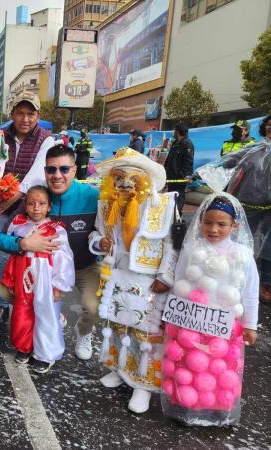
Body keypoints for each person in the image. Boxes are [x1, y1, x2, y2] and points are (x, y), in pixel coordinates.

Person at [89, 147, 177, 414]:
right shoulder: (106, 205)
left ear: (143, 181)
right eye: (118, 177)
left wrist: (166, 275)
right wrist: (98, 242)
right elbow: (96, 233)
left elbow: (172, 243)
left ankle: (144, 385)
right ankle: (119, 369)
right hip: (116, 275)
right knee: (117, 327)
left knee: (146, 333)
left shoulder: (162, 205)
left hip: (148, 280)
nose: (125, 183)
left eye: (131, 178)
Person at [0, 145, 101, 361]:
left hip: (82, 266)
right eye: (51, 170)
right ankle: (49, 315)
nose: (57, 175)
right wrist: (23, 243)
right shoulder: (35, 197)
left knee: (93, 305)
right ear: (45, 172)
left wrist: (103, 243)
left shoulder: (93, 197)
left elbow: (107, 231)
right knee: (4, 293)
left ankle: (84, 332)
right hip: (40, 271)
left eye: (64, 169)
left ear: (74, 170)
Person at [161, 194, 258, 426]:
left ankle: (216, 410)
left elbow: (250, 292)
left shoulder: (242, 256)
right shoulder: (193, 249)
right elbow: (179, 284)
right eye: (208, 222)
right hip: (190, 325)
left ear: (234, 226)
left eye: (221, 224)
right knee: (188, 367)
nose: (213, 229)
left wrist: (251, 325)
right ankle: (185, 405)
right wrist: (169, 318)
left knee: (221, 370)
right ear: (200, 221)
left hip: (224, 328)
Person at [0, 91, 55, 323]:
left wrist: (13, 198)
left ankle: (19, 305)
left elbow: (36, 174)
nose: (25, 119)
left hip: (28, 211)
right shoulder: (1, 136)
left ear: (38, 116)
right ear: (12, 114)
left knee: (20, 257)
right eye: (20, 113)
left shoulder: (46, 139)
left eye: (31, 114)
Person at [0, 186, 75, 373]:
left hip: (45, 279)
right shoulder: (18, 224)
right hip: (23, 276)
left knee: (45, 315)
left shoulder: (56, 230)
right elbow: (11, 251)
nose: (36, 208)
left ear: (49, 206)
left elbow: (63, 259)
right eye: (31, 203)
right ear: (25, 205)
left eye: (41, 203)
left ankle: (45, 354)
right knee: (22, 312)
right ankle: (24, 347)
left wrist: (58, 286)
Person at [222, 114, 271, 302]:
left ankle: (266, 283)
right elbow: (228, 161)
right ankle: (237, 278)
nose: (270, 128)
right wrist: (206, 171)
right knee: (242, 242)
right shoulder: (254, 149)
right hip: (247, 205)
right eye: (268, 125)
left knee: (268, 245)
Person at [164, 123, 194, 214]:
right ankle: (171, 215)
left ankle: (177, 216)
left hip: (179, 177)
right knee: (171, 196)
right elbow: (170, 158)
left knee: (178, 196)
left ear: (177, 131)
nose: (173, 132)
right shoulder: (176, 143)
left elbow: (188, 162)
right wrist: (165, 168)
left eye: (174, 130)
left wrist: (185, 176)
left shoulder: (187, 144)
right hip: (172, 176)